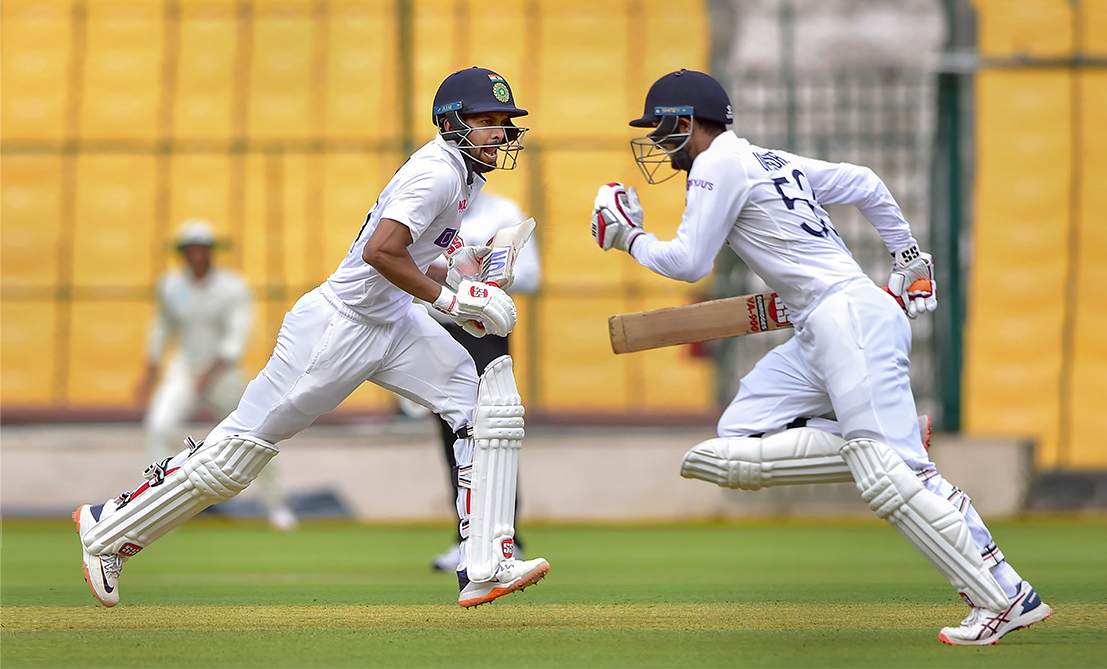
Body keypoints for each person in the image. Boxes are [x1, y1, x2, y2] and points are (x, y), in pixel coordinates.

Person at [590, 69, 1052, 646]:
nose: (659, 144)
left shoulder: (716, 164)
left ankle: (1003, 597)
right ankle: (882, 444)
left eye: (662, 130)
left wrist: (627, 237)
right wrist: (908, 255)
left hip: (848, 317)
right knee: (739, 438)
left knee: (901, 478)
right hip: (821, 325)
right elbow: (864, 182)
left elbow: (688, 262)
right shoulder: (766, 160)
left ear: (687, 122)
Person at [73, 67, 550, 610]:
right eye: (485, 120)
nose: (497, 133)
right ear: (450, 122)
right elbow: (379, 252)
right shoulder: (437, 172)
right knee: (239, 453)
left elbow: (415, 254)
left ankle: (484, 563)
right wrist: (451, 302)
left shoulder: (464, 176)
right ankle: (108, 528)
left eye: (502, 122)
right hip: (338, 327)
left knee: (483, 408)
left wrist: (462, 270)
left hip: (393, 321)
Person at [136, 220, 297, 532]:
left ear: (211, 252)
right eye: (191, 250)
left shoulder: (232, 287)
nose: (198, 255)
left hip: (224, 374)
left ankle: (277, 506)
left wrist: (210, 374)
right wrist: (150, 371)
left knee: (255, 436)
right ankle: (160, 509)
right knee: (158, 428)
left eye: (203, 249)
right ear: (184, 253)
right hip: (183, 370)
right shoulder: (171, 286)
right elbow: (161, 328)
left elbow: (237, 336)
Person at [414, 191, 542, 573]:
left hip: (486, 331)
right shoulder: (425, 206)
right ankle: (466, 540)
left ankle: (507, 539)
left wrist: (481, 280)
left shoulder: (502, 211)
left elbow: (531, 277)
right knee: (453, 435)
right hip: (438, 329)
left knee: (495, 431)